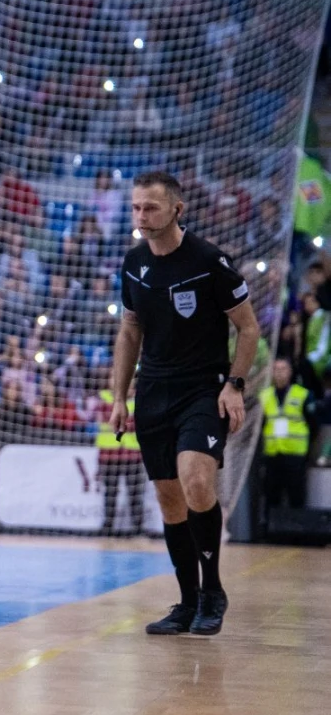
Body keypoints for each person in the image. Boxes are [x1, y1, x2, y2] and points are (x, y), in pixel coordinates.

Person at [110, 171, 260, 637]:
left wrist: (234, 385)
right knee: (169, 498)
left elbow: (248, 328)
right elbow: (130, 330)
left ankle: (213, 591)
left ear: (178, 209)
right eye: (136, 208)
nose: (141, 216)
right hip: (154, 391)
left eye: (150, 208)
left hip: (202, 389)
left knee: (196, 481)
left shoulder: (209, 260)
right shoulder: (134, 262)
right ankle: (187, 600)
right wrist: (119, 396)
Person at [260, 357, 312, 510]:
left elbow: (312, 422)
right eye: (276, 369)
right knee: (271, 495)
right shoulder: (264, 396)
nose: (279, 373)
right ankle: (270, 525)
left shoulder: (301, 394)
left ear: (290, 372)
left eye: (283, 369)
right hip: (272, 453)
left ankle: (297, 525)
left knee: (296, 495)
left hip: (295, 453)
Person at [95, 381, 145, 536]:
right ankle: (108, 527)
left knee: (135, 493)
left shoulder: (139, 399)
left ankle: (138, 528)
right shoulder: (102, 398)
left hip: (132, 453)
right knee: (110, 492)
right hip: (109, 454)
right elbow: (108, 420)